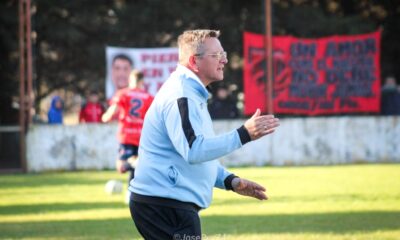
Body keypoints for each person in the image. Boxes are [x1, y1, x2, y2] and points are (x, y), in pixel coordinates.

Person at [128, 29, 280, 239]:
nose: (224, 60)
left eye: (223, 54)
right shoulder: (182, 96)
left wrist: (230, 181)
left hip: (168, 204)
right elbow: (194, 150)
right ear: (194, 61)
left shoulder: (191, 93)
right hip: (164, 205)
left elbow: (196, 155)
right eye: (216, 55)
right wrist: (244, 134)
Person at [102, 70, 153, 201]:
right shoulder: (148, 97)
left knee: (122, 167)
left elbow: (114, 108)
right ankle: (132, 192)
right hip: (142, 136)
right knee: (138, 166)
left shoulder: (123, 93)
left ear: (130, 80)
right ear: (142, 82)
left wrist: (106, 116)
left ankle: (131, 192)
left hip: (126, 135)